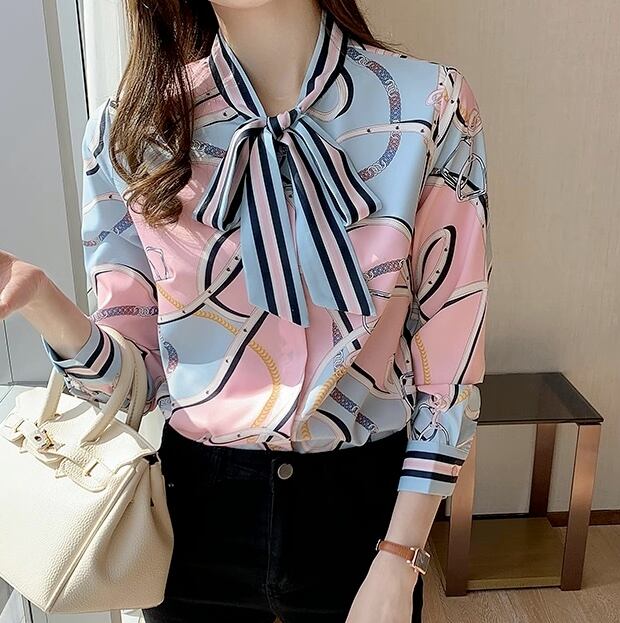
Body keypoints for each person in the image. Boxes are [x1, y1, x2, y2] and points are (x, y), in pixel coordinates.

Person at [0, 0, 492, 621]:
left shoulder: (431, 107)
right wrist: (42, 302)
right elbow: (135, 382)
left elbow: (449, 362)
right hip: (193, 518)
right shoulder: (131, 130)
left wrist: (401, 555)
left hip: (363, 517)